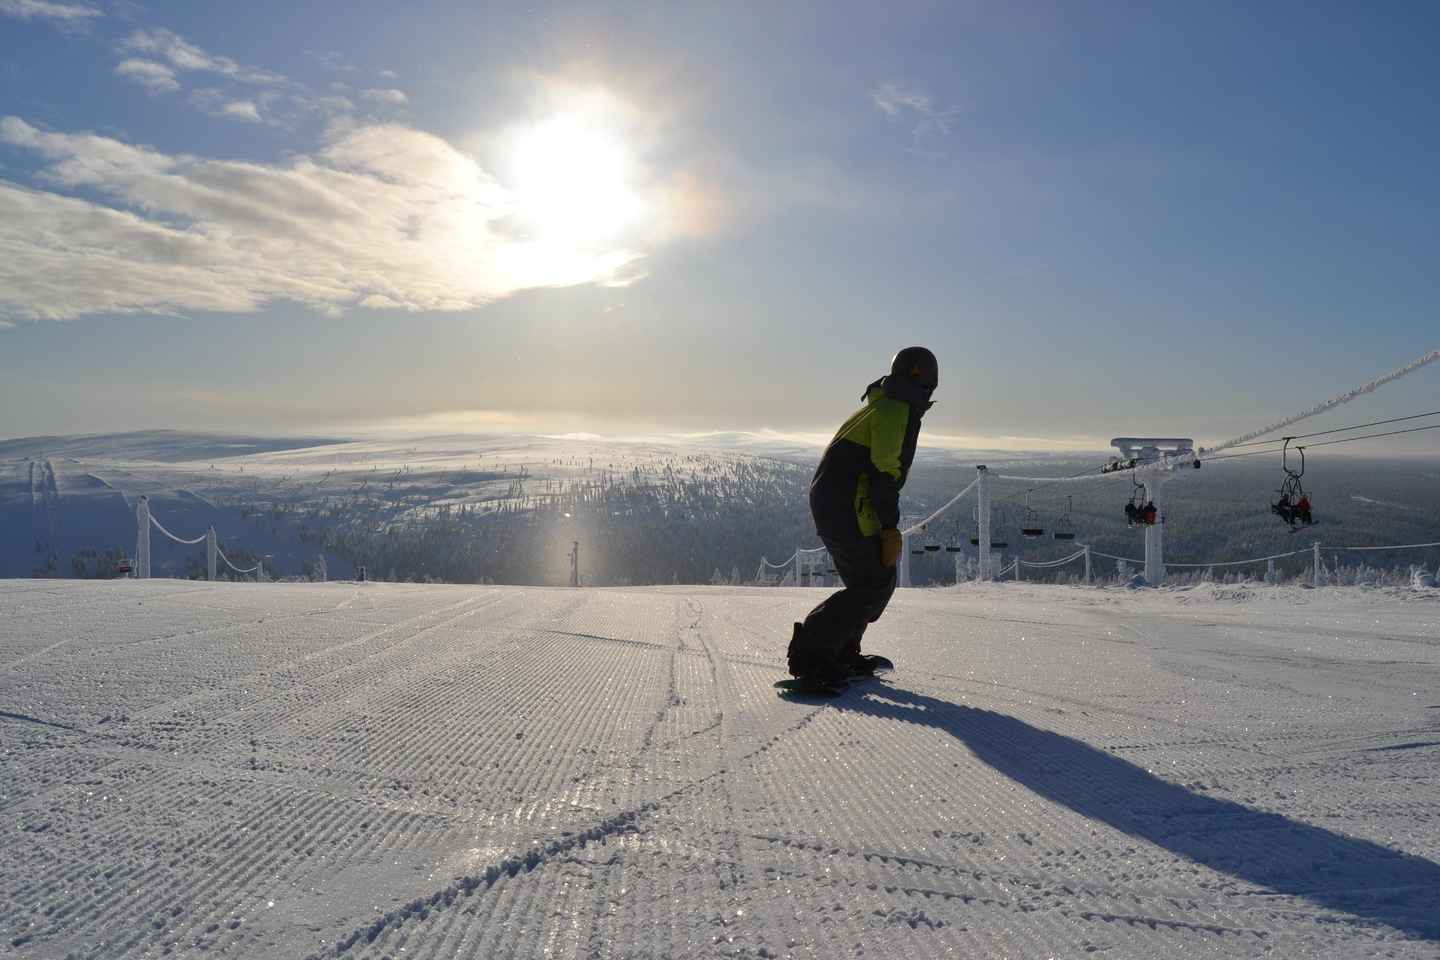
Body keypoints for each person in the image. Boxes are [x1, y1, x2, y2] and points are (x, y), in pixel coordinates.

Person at [786, 346, 937, 685]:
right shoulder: (895, 409)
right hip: (845, 505)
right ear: (928, 382)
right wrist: (889, 527)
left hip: (839, 503)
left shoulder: (883, 404)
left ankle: (840, 650)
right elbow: (885, 473)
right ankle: (811, 655)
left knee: (872, 581)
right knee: (872, 584)